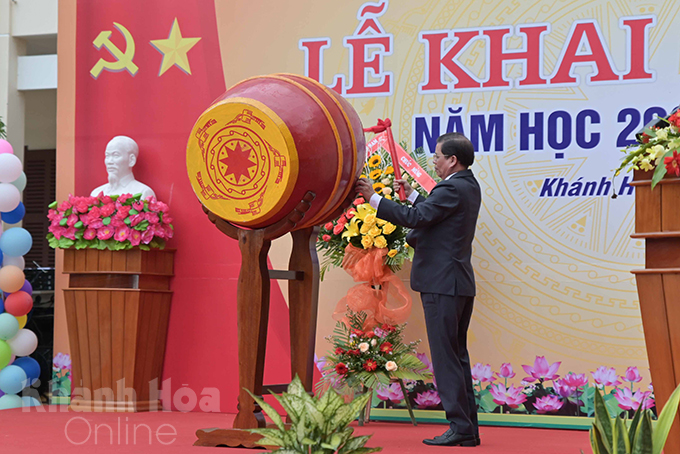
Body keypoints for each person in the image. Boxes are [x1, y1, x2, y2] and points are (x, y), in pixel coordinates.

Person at [355, 132, 482, 447]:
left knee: (446, 357)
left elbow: (416, 219)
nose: (434, 162)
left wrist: (373, 198)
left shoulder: (452, 186)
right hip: (456, 283)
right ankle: (467, 429)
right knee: (457, 356)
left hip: (443, 284)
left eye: (438, 157)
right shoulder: (467, 186)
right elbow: (433, 215)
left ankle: (459, 426)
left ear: (453, 159)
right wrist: (412, 194)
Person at [90, 136, 156, 199]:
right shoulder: (96, 193)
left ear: (131, 160)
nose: (109, 161)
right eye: (107, 156)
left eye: (116, 155)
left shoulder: (143, 192)